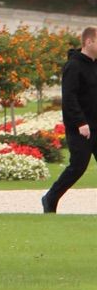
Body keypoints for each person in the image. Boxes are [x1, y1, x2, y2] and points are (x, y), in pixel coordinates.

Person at [43, 27, 97, 212]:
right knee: (78, 166)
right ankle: (50, 198)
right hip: (81, 128)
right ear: (89, 42)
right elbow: (69, 97)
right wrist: (81, 123)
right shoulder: (74, 66)